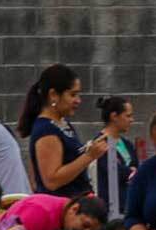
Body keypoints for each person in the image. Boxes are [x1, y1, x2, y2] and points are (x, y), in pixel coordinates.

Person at [19, 64, 107, 198]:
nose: (78, 100)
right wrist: (89, 156)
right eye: (73, 94)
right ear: (53, 95)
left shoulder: (62, 124)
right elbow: (51, 181)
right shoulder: (46, 130)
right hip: (61, 206)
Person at [95, 96, 138, 217]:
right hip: (111, 207)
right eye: (128, 116)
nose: (132, 120)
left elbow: (136, 167)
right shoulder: (100, 144)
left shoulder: (127, 144)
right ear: (114, 116)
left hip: (128, 204)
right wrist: (130, 171)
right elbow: (114, 171)